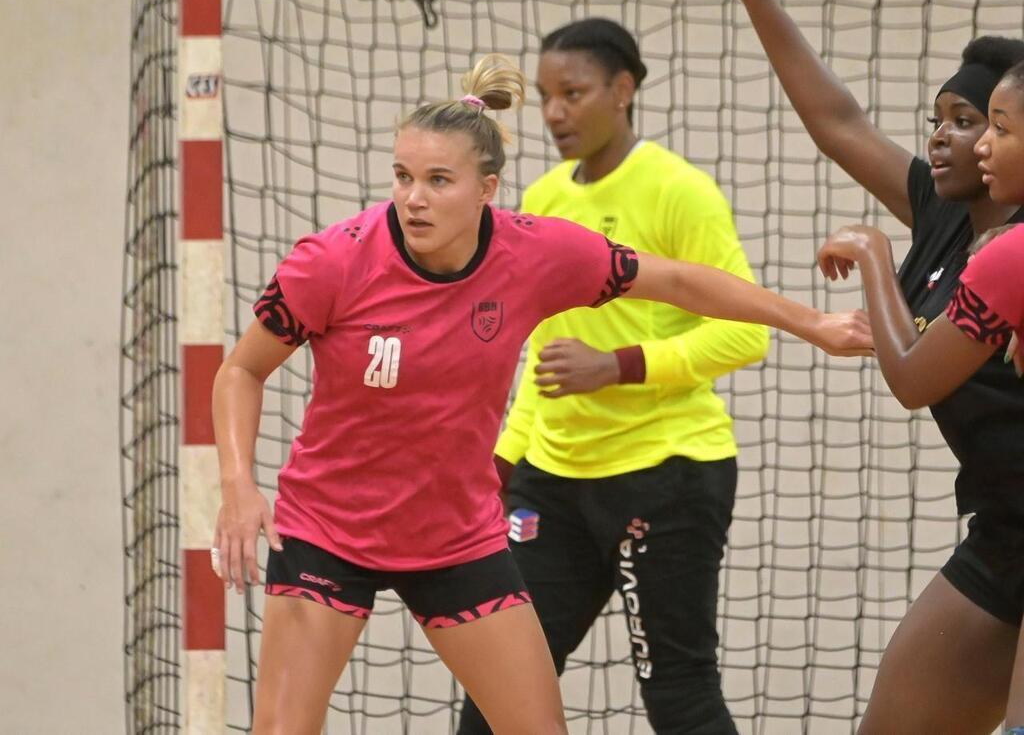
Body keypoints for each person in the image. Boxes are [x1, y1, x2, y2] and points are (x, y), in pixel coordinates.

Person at [211, 52, 871, 735]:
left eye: (439, 180)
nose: (413, 198)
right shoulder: (334, 261)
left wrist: (813, 321)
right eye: (404, 177)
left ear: (486, 188)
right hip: (328, 530)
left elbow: (677, 280)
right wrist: (238, 483)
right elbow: (240, 370)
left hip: (455, 536)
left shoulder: (535, 254)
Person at [457, 19, 766, 734]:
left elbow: (746, 331)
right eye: (544, 96)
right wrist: (505, 457)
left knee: (679, 692)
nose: (556, 112)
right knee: (496, 687)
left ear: (623, 90)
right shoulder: (541, 200)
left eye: (574, 92)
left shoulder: (678, 191)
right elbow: (542, 351)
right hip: (554, 479)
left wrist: (620, 366)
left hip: (668, 471)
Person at [817, 62, 1024, 733]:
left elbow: (907, 376)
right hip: (1004, 533)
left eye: (997, 127)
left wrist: (873, 251)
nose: (980, 145)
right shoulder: (994, 250)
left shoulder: (1005, 256)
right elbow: (836, 123)